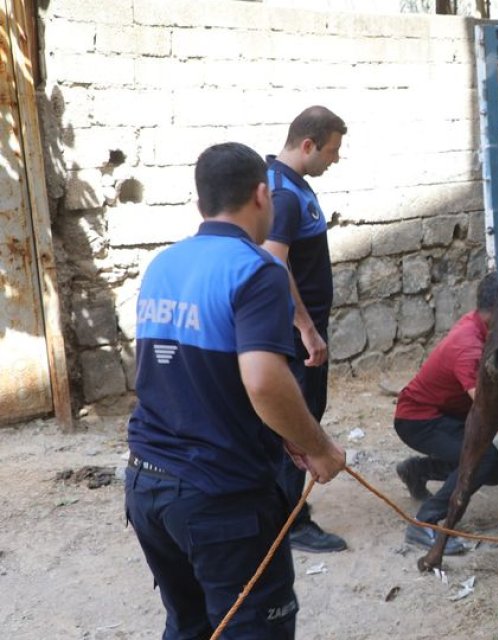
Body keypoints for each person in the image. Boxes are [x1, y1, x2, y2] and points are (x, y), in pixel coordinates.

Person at [125, 142, 348, 638]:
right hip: (218, 497)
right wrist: (319, 447)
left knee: (190, 627)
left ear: (201, 201)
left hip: (146, 486)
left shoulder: (164, 264)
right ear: (262, 195)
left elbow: (182, 373)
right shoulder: (258, 268)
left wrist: (281, 432)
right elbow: (263, 379)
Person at [264, 106, 348, 553]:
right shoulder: (282, 194)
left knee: (306, 414)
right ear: (308, 145)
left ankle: (284, 510)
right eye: (332, 150)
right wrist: (307, 329)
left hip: (305, 331)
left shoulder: (293, 185)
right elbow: (275, 262)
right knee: (297, 421)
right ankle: (288, 523)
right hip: (297, 335)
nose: (335, 159)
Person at [393, 271, 498, 555]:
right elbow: (490, 412)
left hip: (442, 414)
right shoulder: (468, 347)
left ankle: (418, 470)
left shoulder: (484, 327)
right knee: (483, 460)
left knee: (496, 469)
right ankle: (424, 522)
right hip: (418, 420)